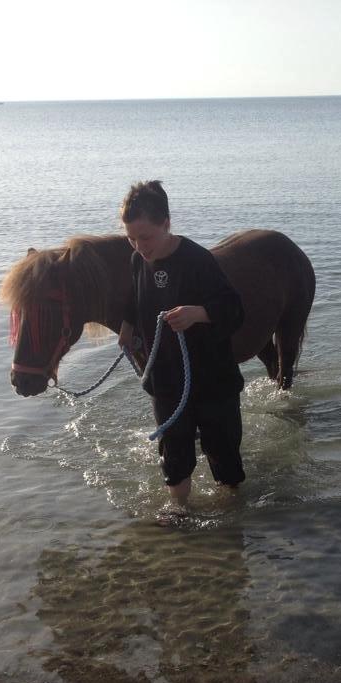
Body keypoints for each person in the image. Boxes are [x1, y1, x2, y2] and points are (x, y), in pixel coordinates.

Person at [118, 180, 245, 508]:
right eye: (131, 238)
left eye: (145, 237)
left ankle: (232, 518)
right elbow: (135, 296)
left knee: (224, 457)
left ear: (166, 224)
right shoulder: (137, 260)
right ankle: (179, 513)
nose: (139, 246)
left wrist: (198, 313)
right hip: (166, 380)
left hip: (212, 379)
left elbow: (234, 310)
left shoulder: (198, 260)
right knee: (173, 455)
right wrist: (127, 326)